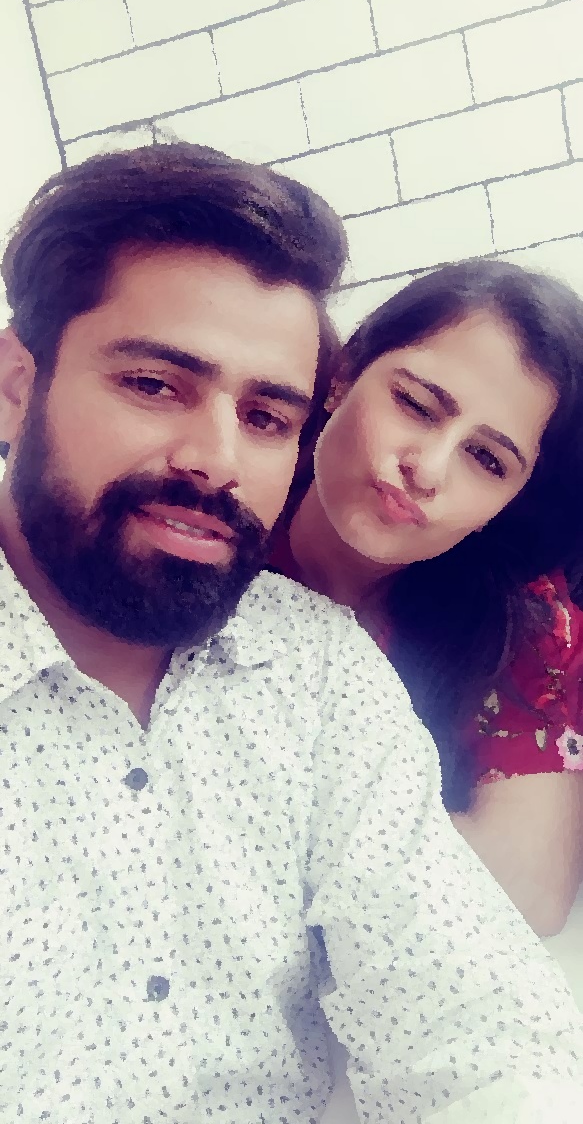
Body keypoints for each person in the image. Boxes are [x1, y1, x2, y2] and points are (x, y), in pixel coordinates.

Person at [0, 145, 582, 1124]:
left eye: (266, 414)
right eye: (153, 384)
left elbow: (475, 1015)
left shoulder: (325, 666)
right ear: (17, 384)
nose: (215, 459)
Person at [270, 259, 583, 938]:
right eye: (415, 405)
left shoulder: (522, 624)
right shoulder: (221, 507)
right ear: (343, 374)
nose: (428, 469)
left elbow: (527, 893)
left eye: (487, 460)